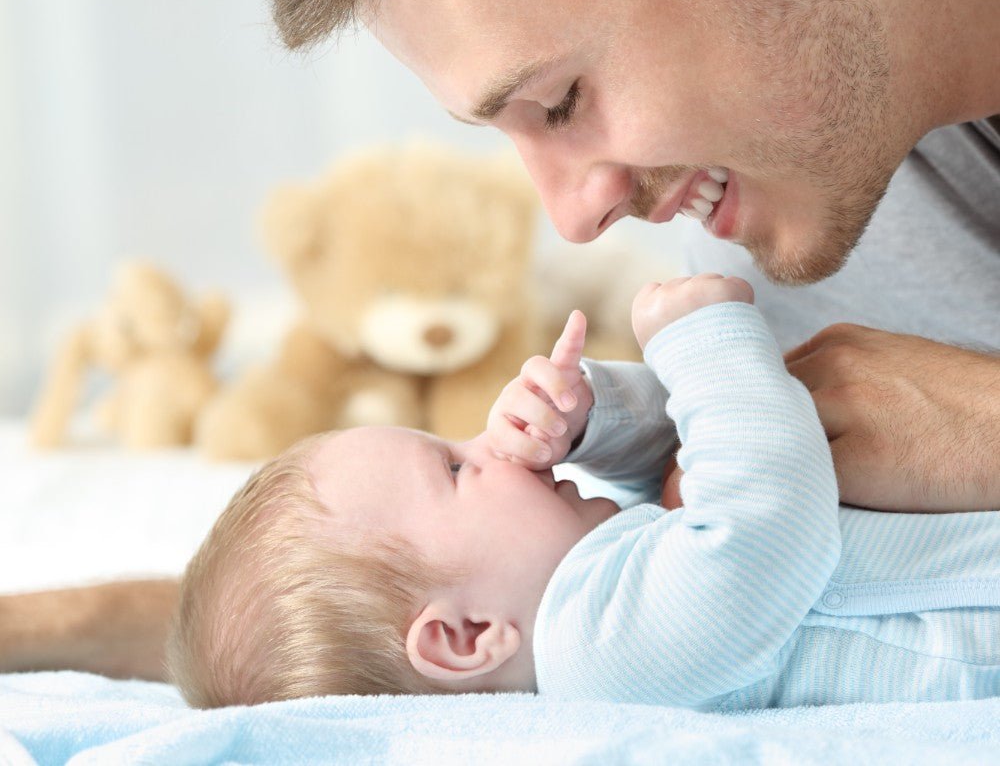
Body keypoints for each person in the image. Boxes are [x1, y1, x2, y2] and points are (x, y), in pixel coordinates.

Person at [3, 0, 999, 680]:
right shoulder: (795, 156)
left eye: (563, 99)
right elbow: (430, 603)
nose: (576, 217)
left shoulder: (790, 115)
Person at [167, 275, 1000, 709]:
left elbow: (685, 468)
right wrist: (703, 343)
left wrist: (592, 419)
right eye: (457, 468)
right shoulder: (607, 657)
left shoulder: (600, 593)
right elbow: (763, 523)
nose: (489, 442)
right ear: (465, 637)